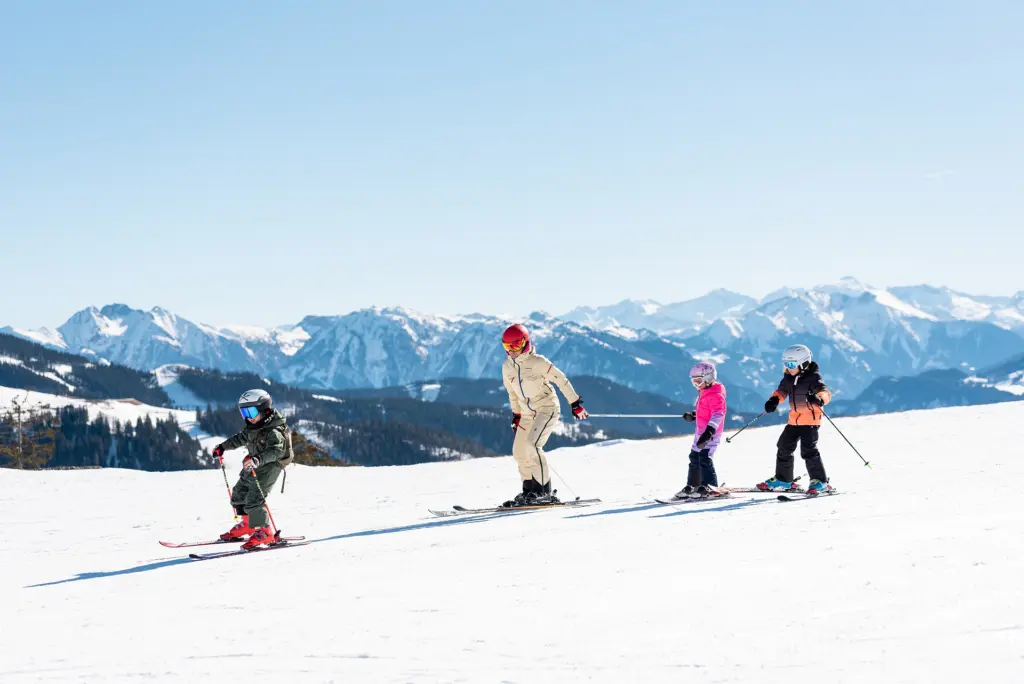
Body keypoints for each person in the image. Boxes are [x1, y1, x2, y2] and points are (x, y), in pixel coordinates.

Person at [500, 323, 588, 507]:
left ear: (525, 343)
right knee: (519, 452)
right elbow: (512, 394)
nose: (511, 351)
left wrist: (575, 404)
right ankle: (529, 491)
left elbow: (561, 380)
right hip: (525, 414)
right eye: (507, 347)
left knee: (533, 445)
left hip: (546, 409)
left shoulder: (538, 362)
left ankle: (543, 492)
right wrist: (517, 415)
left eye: (515, 346)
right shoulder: (507, 367)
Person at [213, 389, 293, 548]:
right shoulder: (253, 427)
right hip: (255, 462)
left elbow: (276, 451)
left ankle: (265, 532)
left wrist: (258, 459)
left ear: (264, 410)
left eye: (250, 411)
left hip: (271, 464)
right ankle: (248, 525)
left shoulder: (274, 430)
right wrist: (223, 447)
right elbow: (240, 438)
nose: (247, 417)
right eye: (244, 413)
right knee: (239, 493)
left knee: (254, 498)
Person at [757, 344, 835, 495]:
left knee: (808, 451)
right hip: (794, 420)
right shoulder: (788, 378)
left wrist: (818, 399)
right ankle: (783, 478)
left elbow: (825, 392)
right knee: (784, 446)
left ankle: (820, 481)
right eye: (786, 364)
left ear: (803, 363)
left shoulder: (813, 378)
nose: (788, 368)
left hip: (811, 421)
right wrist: (774, 400)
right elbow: (781, 391)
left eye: (791, 364)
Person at [674, 361, 727, 499]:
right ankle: (693, 485)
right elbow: (704, 411)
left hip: (710, 433)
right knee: (694, 457)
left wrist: (709, 431)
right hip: (700, 433)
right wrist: (693, 415)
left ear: (709, 378)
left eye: (698, 381)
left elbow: (718, 414)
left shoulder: (715, 394)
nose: (696, 385)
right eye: (694, 382)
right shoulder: (704, 392)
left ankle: (710, 487)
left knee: (704, 457)